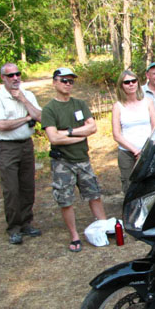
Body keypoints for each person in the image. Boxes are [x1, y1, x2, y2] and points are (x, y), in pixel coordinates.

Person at [41, 68, 107, 252]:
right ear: (54, 82)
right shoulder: (49, 109)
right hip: (62, 162)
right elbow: (53, 138)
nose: (68, 84)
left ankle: (104, 228)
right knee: (66, 200)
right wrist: (80, 133)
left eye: (71, 81)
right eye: (64, 80)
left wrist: (69, 132)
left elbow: (92, 127)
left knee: (94, 194)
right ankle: (75, 236)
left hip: (83, 159)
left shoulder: (80, 104)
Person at [0, 63, 42, 244]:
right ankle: (14, 228)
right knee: (11, 189)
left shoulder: (28, 95)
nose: (15, 78)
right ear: (3, 78)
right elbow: (1, 125)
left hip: (26, 145)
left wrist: (24, 101)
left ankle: (26, 223)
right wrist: (27, 118)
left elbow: (40, 117)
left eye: (17, 74)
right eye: (10, 75)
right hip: (7, 148)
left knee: (28, 187)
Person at [113, 69, 155, 193]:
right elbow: (116, 135)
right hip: (127, 153)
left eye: (134, 81)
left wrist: (146, 150)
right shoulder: (118, 106)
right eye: (127, 82)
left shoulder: (148, 102)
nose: (131, 84)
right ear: (121, 86)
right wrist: (135, 151)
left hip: (148, 151)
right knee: (130, 186)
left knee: (150, 185)